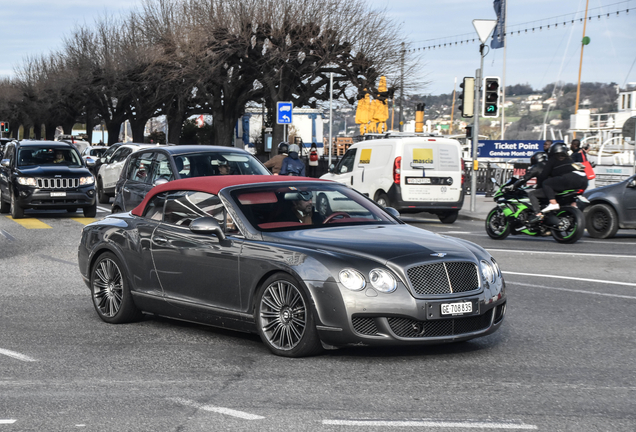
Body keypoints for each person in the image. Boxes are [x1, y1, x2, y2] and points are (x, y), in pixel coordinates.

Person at [528, 142, 588, 223]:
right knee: (568, 192)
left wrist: (539, 186)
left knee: (546, 183)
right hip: (584, 180)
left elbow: (543, 176)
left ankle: (552, 203)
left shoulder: (553, 159)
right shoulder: (569, 159)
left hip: (571, 178)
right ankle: (573, 205)